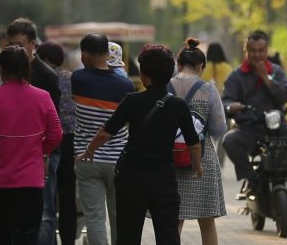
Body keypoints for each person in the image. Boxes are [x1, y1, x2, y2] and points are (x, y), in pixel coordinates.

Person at [76, 44, 202, 245]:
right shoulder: (178, 105)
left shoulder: (132, 101)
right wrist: (197, 166)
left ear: (144, 75)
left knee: (128, 233)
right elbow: (193, 144)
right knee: (168, 234)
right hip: (163, 178)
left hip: (132, 177)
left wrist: (89, 150)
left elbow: (106, 132)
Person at [0, 45, 63, 245]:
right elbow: (56, 134)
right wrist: (40, 152)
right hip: (30, 182)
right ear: (27, 68)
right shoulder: (42, 97)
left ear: (1, 70)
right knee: (27, 237)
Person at [221, 30, 287, 191]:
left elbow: (284, 95)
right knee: (229, 140)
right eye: (252, 51)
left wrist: (267, 79)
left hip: (277, 127)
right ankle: (251, 179)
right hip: (248, 128)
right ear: (246, 51)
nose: (256, 55)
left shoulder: (276, 71)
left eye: (260, 50)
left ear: (266, 50)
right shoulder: (236, 75)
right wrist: (231, 106)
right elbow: (226, 101)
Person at [71, 33, 134, 245]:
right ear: (108, 54)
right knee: (119, 216)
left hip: (86, 158)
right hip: (118, 160)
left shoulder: (77, 79)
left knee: (95, 218)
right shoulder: (126, 86)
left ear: (84, 54)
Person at [5, 18, 64, 245]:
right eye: (11, 44)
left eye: (20, 44)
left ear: (33, 44)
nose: (15, 49)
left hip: (43, 153)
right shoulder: (7, 72)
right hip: (13, 152)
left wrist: (44, 153)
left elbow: (53, 122)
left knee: (45, 210)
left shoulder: (46, 76)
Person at [169, 38, 227, 245]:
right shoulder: (208, 89)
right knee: (207, 220)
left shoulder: (166, 87)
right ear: (201, 66)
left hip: (171, 159)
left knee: (174, 219)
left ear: (178, 64)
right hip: (201, 160)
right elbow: (219, 128)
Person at [36, 41, 78, 245]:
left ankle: (49, 238)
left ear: (44, 59)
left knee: (48, 196)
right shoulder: (70, 78)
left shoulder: (41, 77)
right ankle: (69, 240)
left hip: (48, 142)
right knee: (68, 193)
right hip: (70, 139)